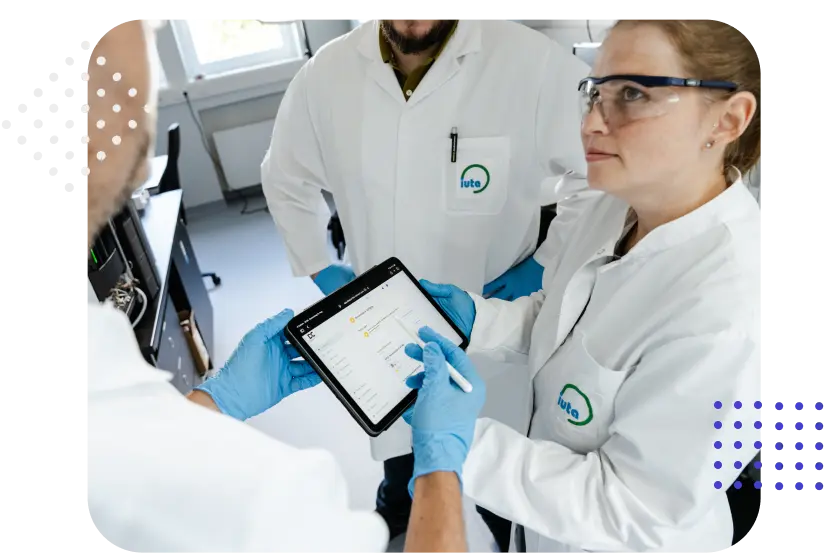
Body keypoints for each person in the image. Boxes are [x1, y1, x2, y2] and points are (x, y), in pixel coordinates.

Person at [80, 18, 485, 557]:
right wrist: (439, 468)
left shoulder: (102, 375)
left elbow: (132, 464)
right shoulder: (270, 501)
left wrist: (210, 402)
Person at [398, 17, 768, 556]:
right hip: (547, 535)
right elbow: (568, 318)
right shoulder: (615, 205)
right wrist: (479, 320)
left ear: (728, 119)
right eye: (595, 92)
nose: (592, 122)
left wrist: (459, 444)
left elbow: (637, 509)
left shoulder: (735, 305)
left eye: (633, 94)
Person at [260, 16, 592, 549]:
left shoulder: (533, 64)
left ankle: (501, 535)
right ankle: (397, 508)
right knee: (398, 442)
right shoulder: (326, 75)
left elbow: (598, 174)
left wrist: (546, 262)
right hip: (381, 325)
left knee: (496, 467)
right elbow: (284, 176)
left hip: (490, 315)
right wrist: (320, 266)